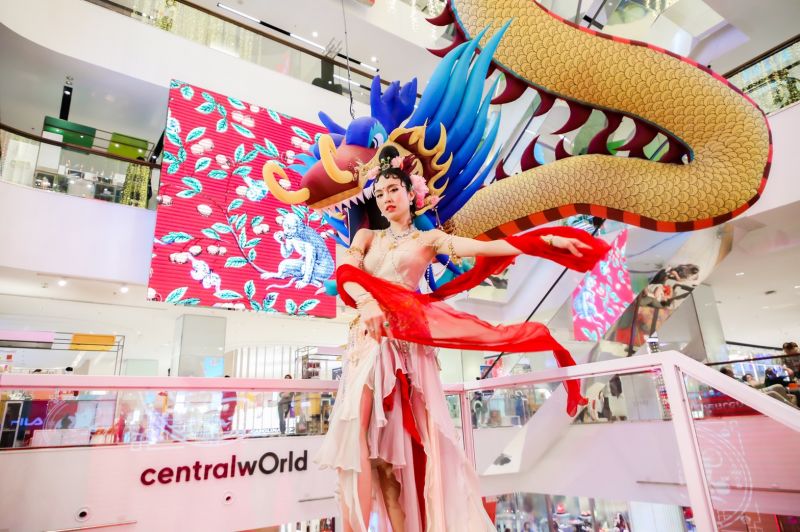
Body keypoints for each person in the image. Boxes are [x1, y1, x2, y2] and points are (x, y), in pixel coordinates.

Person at [315, 146, 609, 531]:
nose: (386, 198)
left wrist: (545, 241)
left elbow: (483, 248)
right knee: (359, 443)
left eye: (394, 189)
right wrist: (369, 302)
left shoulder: (429, 239)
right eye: (381, 192)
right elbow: (345, 273)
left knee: (397, 455)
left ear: (411, 194)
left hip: (404, 343)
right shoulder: (366, 236)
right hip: (366, 341)